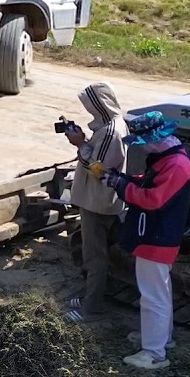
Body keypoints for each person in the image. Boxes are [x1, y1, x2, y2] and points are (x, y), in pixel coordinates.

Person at [101, 111, 190, 370]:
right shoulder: (170, 157)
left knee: (153, 296)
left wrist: (120, 186)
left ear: (156, 139)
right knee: (159, 292)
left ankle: (153, 354)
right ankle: (161, 339)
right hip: (158, 233)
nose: (145, 148)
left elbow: (153, 200)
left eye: (145, 143)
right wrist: (124, 180)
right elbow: (149, 182)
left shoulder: (176, 165)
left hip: (157, 236)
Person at [61, 83, 128, 324]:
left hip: (98, 203)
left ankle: (92, 309)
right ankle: (91, 296)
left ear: (100, 105)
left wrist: (80, 145)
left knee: (94, 256)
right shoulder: (110, 128)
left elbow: (99, 170)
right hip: (98, 201)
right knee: (95, 253)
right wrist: (86, 141)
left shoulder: (112, 131)